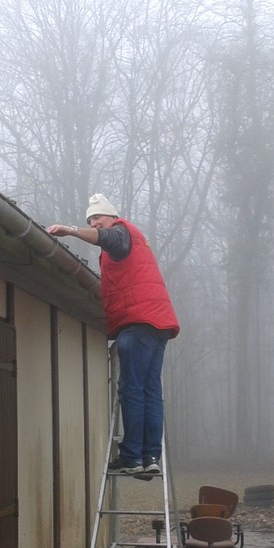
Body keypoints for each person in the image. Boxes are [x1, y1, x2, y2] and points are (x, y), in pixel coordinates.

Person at [47, 194, 179, 477]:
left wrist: (71, 230)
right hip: (158, 324)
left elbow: (106, 238)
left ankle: (131, 457)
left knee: (132, 390)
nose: (94, 223)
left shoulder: (120, 233)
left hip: (138, 323)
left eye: (98, 217)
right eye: (90, 220)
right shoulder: (135, 240)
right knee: (150, 390)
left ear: (112, 217)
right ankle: (150, 456)